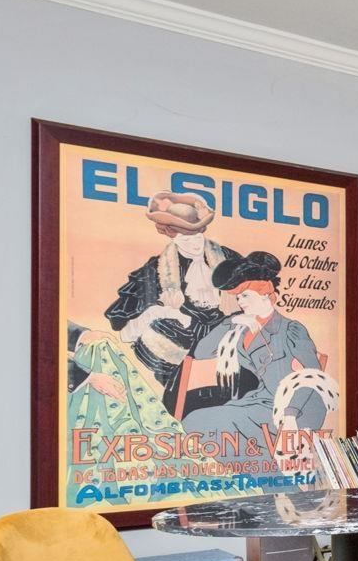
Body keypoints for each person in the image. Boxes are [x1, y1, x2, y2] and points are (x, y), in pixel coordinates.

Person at [103, 191, 238, 414]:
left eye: (196, 236)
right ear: (171, 234)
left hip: (224, 333)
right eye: (185, 237)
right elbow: (124, 326)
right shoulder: (157, 268)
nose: (193, 244)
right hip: (180, 340)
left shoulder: (229, 258)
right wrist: (159, 312)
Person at [182, 251, 333, 448]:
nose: (240, 302)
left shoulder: (290, 329)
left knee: (221, 422)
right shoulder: (240, 329)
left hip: (298, 408)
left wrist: (290, 414)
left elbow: (313, 376)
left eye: (245, 295)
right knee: (193, 421)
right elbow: (201, 352)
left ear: (267, 296)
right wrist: (231, 321)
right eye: (238, 297)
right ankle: (256, 470)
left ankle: (265, 470)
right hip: (261, 402)